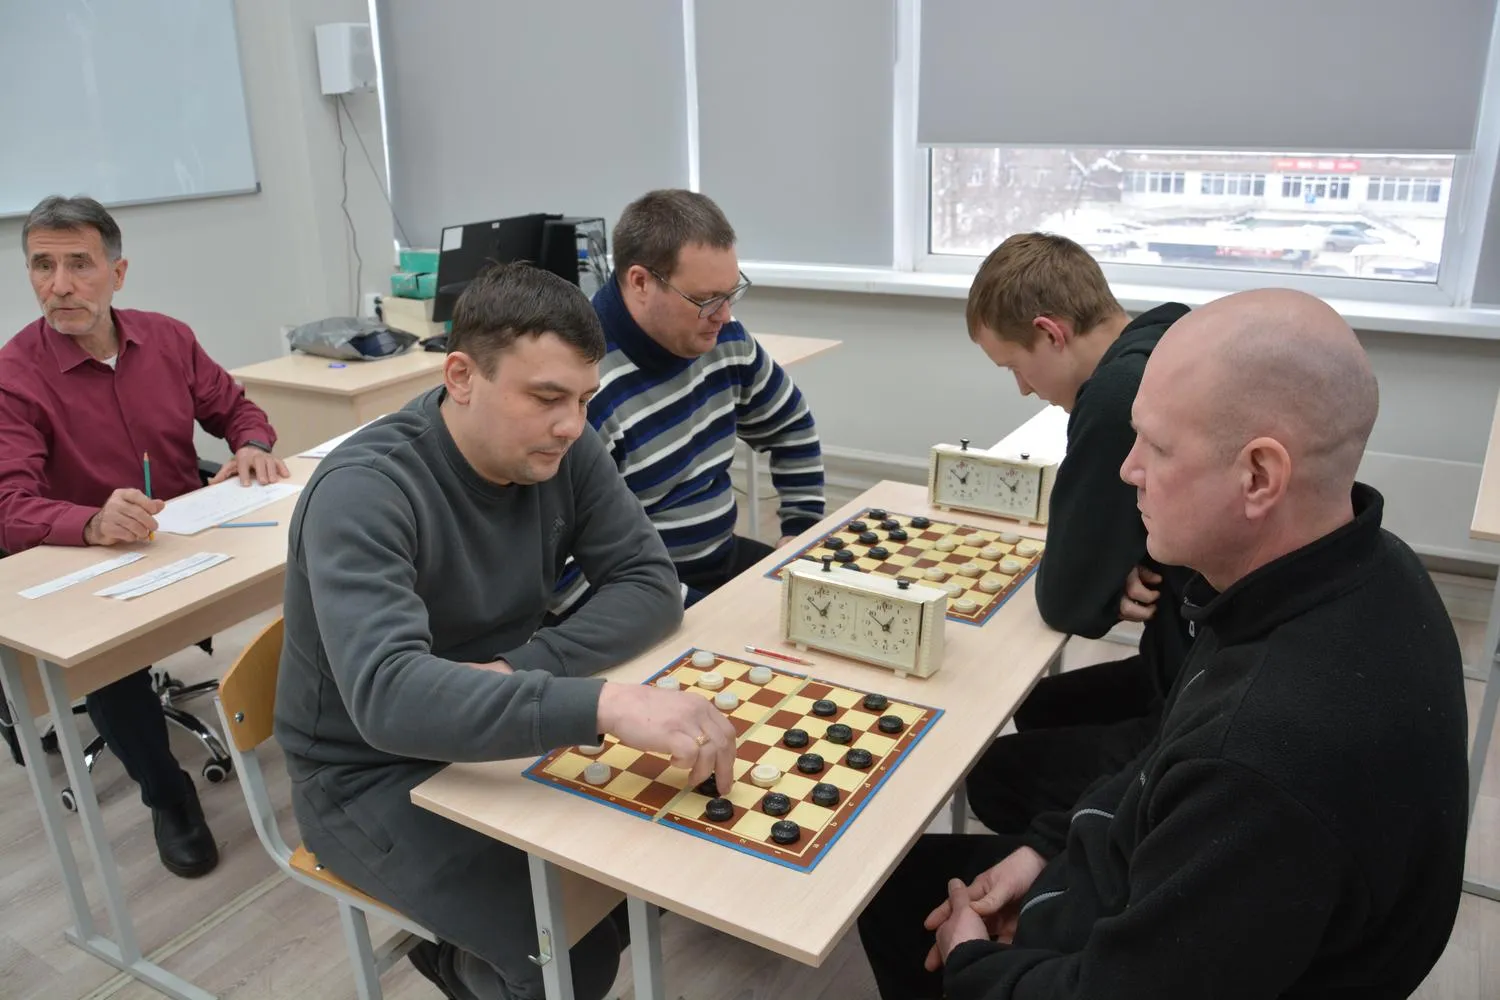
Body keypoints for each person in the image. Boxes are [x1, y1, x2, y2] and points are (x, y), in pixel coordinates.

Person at [858, 288, 1469, 999]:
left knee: (896, 904)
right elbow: (1162, 761)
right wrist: (1045, 850)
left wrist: (970, 961)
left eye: (1158, 446)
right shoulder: (1365, 568)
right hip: (1166, 899)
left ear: (1259, 476)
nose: (1129, 469)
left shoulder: (1263, 759)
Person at [274, 263, 735, 1000]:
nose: (571, 424)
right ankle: (463, 963)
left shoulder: (561, 445)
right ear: (461, 376)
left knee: (637, 878)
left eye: (584, 399)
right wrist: (600, 703)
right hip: (366, 774)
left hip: (498, 723)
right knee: (572, 959)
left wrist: (520, 668)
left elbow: (650, 585)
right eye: (547, 397)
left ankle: (471, 953)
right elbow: (389, 698)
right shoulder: (364, 490)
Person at [0, 195, 288, 878]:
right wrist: (91, 522)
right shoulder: (14, 375)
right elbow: (9, 505)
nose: (59, 285)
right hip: (86, 562)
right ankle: (168, 794)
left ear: (118, 272)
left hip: (188, 538)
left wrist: (251, 443)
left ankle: (320, 726)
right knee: (107, 660)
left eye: (79, 264)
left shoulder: (168, 339)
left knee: (304, 564)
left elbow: (236, 409)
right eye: (42, 266)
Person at [959, 233, 1194, 835]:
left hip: (1195, 706)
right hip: (1193, 658)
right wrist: (1119, 560)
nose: (1023, 388)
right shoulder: (1168, 336)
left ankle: (1070, 875)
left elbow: (1064, 600)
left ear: (1051, 333)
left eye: (1015, 366)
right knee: (1042, 704)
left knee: (993, 772)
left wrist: (1101, 574)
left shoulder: (1119, 397)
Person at [552, 189, 824, 614]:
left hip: (718, 560)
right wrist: (697, 615)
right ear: (640, 282)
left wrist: (801, 530)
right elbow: (564, 573)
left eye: (732, 293)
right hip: (638, 594)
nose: (724, 315)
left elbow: (790, 425)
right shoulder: (581, 384)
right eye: (706, 299)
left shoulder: (725, 337)